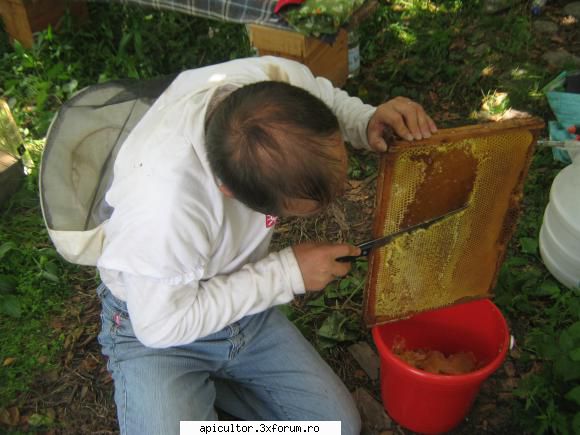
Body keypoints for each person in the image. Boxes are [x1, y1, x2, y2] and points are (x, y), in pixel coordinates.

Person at [95, 55, 437, 435]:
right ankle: (192, 402)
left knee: (333, 428)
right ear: (228, 192)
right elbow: (160, 326)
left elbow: (323, 96)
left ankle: (202, 396)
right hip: (160, 326)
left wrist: (363, 120)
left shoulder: (274, 85)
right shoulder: (163, 210)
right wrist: (286, 272)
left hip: (244, 313)